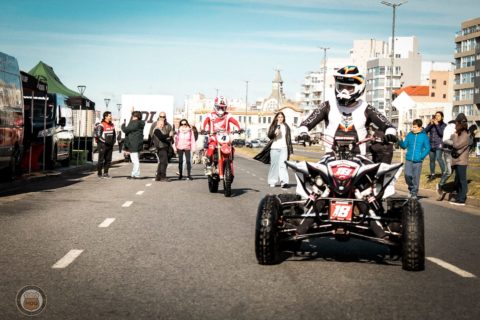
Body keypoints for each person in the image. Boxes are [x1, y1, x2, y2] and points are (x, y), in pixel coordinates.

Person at [298, 66, 397, 157]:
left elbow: (388, 125)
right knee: (311, 173)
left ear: (359, 88)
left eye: (349, 88)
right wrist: (303, 133)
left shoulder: (367, 108)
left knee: (375, 173)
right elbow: (306, 123)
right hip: (330, 156)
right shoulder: (327, 105)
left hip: (359, 157)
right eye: (341, 87)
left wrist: (390, 134)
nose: (344, 91)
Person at [202, 96, 241, 179]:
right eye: (219, 107)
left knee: (231, 148)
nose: (221, 109)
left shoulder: (228, 115)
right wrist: (203, 129)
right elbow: (204, 122)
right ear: (215, 106)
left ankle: (229, 163)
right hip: (213, 137)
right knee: (211, 147)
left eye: (223, 108)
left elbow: (235, 122)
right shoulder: (210, 115)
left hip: (225, 137)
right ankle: (209, 165)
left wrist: (239, 128)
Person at [254, 112, 293, 188]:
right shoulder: (274, 126)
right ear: (276, 118)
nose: (280, 118)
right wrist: (275, 132)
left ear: (284, 118)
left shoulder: (286, 126)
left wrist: (290, 150)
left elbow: (289, 139)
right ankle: (272, 181)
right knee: (274, 165)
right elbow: (269, 136)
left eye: (282, 117)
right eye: (279, 117)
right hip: (274, 148)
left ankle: (284, 182)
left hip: (284, 148)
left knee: (283, 165)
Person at [398, 119, 430, 199]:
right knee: (407, 175)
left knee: (416, 177)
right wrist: (400, 141)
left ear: (420, 127)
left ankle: (414, 193)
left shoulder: (424, 136)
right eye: (413, 127)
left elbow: (427, 148)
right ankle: (411, 189)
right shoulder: (410, 135)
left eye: (415, 127)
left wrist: (421, 156)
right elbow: (404, 146)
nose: (413, 128)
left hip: (418, 161)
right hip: (409, 159)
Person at [449, 113, 470, 206]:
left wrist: (454, 136)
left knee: (462, 180)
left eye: (456, 123)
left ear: (460, 123)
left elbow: (456, 145)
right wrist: (454, 136)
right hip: (457, 160)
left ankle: (462, 199)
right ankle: (459, 196)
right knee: (458, 180)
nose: (455, 126)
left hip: (462, 161)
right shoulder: (460, 133)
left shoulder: (465, 135)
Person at [122, 110, 145, 179]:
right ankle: (134, 174)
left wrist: (123, 125)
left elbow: (126, 130)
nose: (132, 117)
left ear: (136, 117)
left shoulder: (135, 123)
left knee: (135, 160)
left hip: (133, 144)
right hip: (138, 143)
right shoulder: (140, 123)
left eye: (133, 116)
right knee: (135, 159)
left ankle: (136, 174)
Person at [437, 120, 456, 200]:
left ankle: (454, 190)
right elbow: (445, 140)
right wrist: (455, 143)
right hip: (448, 151)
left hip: (454, 152)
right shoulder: (449, 127)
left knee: (454, 171)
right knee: (449, 171)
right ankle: (440, 185)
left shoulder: (452, 127)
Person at [424, 111, 447, 182]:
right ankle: (432, 175)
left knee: (439, 158)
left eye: (438, 116)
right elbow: (425, 131)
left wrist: (437, 125)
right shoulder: (432, 124)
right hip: (431, 144)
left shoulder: (444, 125)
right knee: (431, 160)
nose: (437, 117)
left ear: (442, 117)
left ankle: (444, 173)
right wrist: (430, 124)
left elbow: (441, 134)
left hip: (439, 144)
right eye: (436, 115)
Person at [152, 112, 174, 182]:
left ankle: (158, 176)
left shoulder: (165, 127)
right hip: (161, 147)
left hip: (165, 147)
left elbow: (166, 137)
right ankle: (163, 176)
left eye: (162, 124)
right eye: (160, 124)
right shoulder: (156, 130)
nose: (162, 125)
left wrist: (170, 138)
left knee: (162, 162)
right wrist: (169, 135)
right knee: (164, 162)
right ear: (157, 124)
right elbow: (162, 137)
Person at [95, 111, 116, 178]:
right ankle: (99, 173)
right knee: (101, 160)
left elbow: (114, 135)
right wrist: (105, 142)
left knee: (108, 160)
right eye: (110, 116)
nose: (111, 117)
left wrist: (113, 141)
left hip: (110, 145)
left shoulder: (112, 125)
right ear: (105, 117)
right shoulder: (101, 125)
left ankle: (106, 173)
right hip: (103, 145)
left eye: (111, 116)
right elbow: (98, 136)